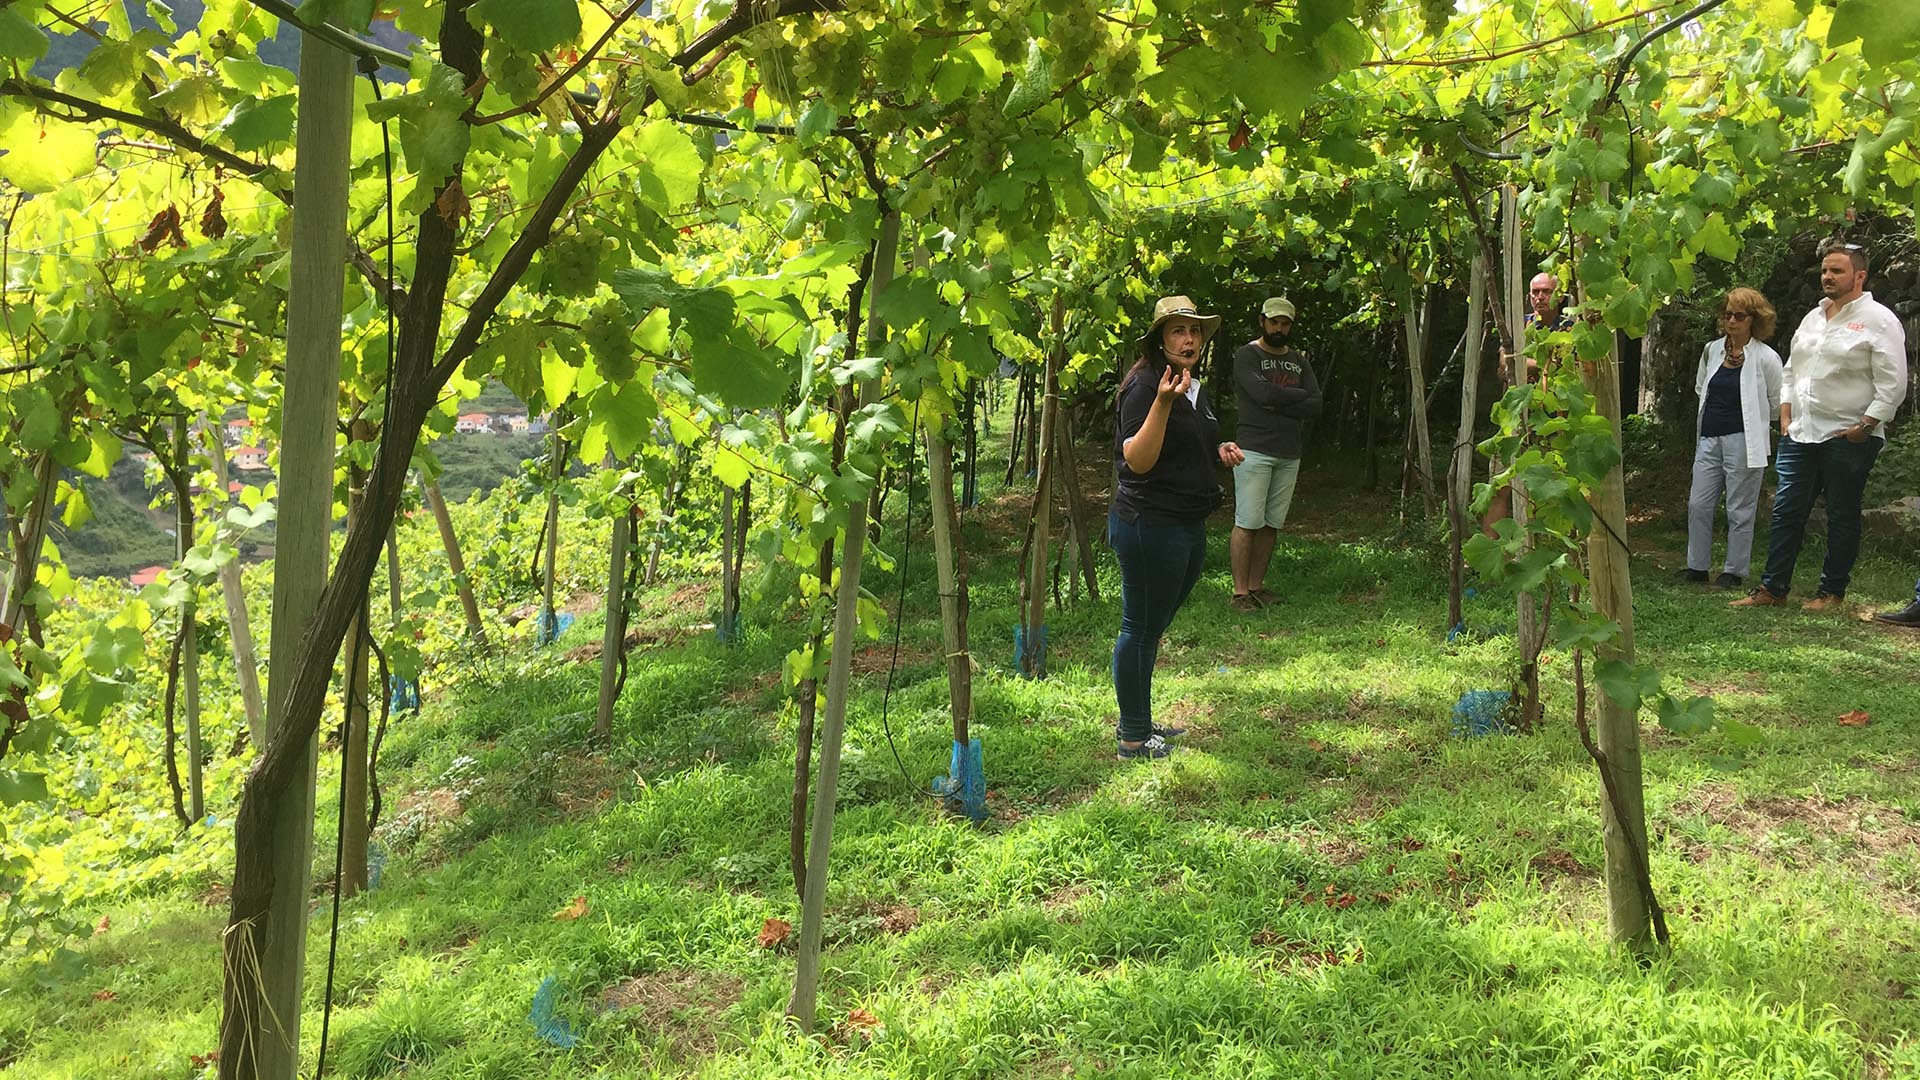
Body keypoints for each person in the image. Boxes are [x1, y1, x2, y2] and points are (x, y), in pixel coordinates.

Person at [1733, 240, 1908, 611]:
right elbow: (1792, 369)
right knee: (1786, 512)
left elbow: (1894, 383)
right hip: (1801, 433)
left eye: (1837, 271)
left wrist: (1865, 426)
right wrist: (1785, 413)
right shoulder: (1813, 318)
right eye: (1825, 270)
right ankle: (1773, 589)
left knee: (1841, 514)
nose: (1828, 276)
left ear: (1859, 276)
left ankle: (1831, 593)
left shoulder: (1879, 320)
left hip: (1849, 436)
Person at [1110, 295, 1244, 760]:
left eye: (1195, 331)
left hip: (1186, 521)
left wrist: (1219, 451)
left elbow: (1188, 447)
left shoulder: (1191, 388)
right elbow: (1138, 459)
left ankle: (1139, 719)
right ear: (1159, 340)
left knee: (1152, 627)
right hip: (1150, 523)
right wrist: (1163, 403)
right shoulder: (1146, 387)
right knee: (1139, 628)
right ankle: (1132, 738)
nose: (1190, 339)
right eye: (1178, 331)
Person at [1680, 287, 1784, 589]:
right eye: (1728, 315)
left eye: (1740, 316)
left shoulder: (1766, 358)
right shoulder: (1712, 350)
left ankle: (1734, 571)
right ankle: (1696, 566)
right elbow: (1701, 388)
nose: (1732, 321)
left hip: (1744, 440)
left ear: (1755, 319)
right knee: (1698, 504)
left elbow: (1776, 404)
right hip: (1709, 438)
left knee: (1739, 508)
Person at [1228, 296, 1321, 610]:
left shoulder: (1298, 360)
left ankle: (1256, 587)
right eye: (1274, 322)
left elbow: (1315, 404)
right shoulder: (1247, 355)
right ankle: (1240, 593)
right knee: (1247, 521)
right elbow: (1261, 393)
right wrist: (1296, 396)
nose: (1279, 328)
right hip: (1253, 448)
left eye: (1284, 323)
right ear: (1262, 321)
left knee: (1271, 524)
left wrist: (1277, 402)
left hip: (1289, 451)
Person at [1486, 272, 1574, 529]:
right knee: (1500, 484)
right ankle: (1492, 545)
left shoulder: (1569, 327)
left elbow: (1566, 365)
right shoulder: (1519, 324)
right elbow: (1505, 363)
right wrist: (1544, 362)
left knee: (1546, 487)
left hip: (1553, 422)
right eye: (1535, 292)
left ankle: (1539, 543)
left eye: (1546, 291)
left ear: (1559, 296)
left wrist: (1523, 360)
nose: (1540, 297)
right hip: (1515, 418)